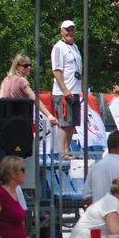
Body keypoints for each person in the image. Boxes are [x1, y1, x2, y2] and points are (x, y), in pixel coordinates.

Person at [0, 53, 58, 131]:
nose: (29, 67)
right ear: (17, 67)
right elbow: (35, 99)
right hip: (20, 119)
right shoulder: (21, 81)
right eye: (25, 66)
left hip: (6, 121)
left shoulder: (5, 80)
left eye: (30, 65)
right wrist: (49, 116)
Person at [51, 20, 84, 155]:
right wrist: (64, 89)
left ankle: (67, 151)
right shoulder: (59, 47)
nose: (70, 33)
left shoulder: (75, 47)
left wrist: (82, 85)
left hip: (75, 90)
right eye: (67, 30)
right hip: (64, 92)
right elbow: (56, 70)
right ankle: (62, 152)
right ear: (61, 31)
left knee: (73, 123)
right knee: (65, 123)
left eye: (72, 30)